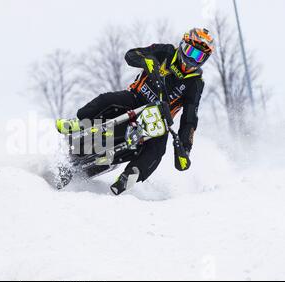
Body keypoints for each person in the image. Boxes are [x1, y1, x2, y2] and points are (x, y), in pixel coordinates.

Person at [56, 28, 215, 195]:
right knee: (107, 100)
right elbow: (131, 54)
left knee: (158, 150)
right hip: (136, 99)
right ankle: (79, 122)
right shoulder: (166, 51)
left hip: (158, 120)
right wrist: (147, 60)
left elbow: (190, 117)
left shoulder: (196, 83)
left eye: (198, 56)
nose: (191, 59)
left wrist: (185, 148)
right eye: (190, 51)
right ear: (183, 45)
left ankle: (131, 175)